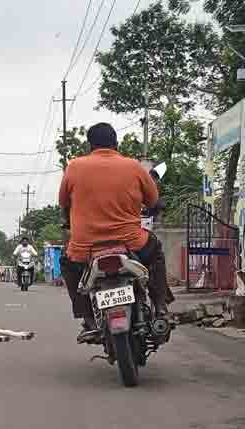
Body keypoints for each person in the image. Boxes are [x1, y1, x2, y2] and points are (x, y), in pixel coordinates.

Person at [59, 122, 173, 342]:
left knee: (68, 264)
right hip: (131, 243)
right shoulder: (134, 167)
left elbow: (63, 203)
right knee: (155, 250)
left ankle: (89, 318)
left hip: (85, 248)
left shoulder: (74, 167)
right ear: (116, 143)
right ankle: (160, 307)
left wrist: (69, 221)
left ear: (90, 145)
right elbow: (153, 200)